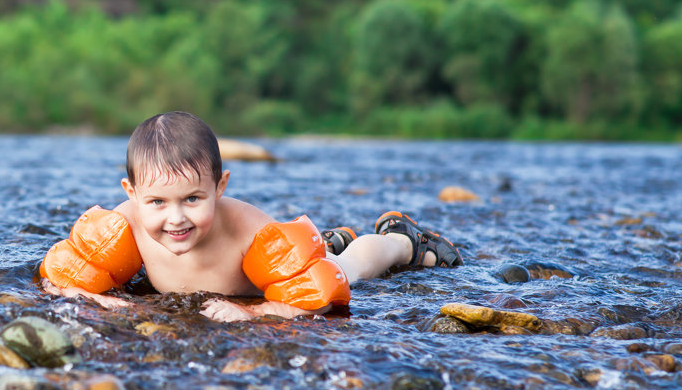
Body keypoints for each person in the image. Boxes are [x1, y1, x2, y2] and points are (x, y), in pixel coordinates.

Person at [40, 111, 461, 322]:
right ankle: (333, 239)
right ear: (132, 194)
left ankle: (402, 241)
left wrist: (253, 314)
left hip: (267, 278)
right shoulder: (124, 222)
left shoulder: (248, 230)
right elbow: (65, 284)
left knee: (344, 270)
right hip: (254, 279)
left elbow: (310, 303)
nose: (175, 219)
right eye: (157, 203)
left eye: (192, 199)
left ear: (220, 188)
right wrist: (104, 303)